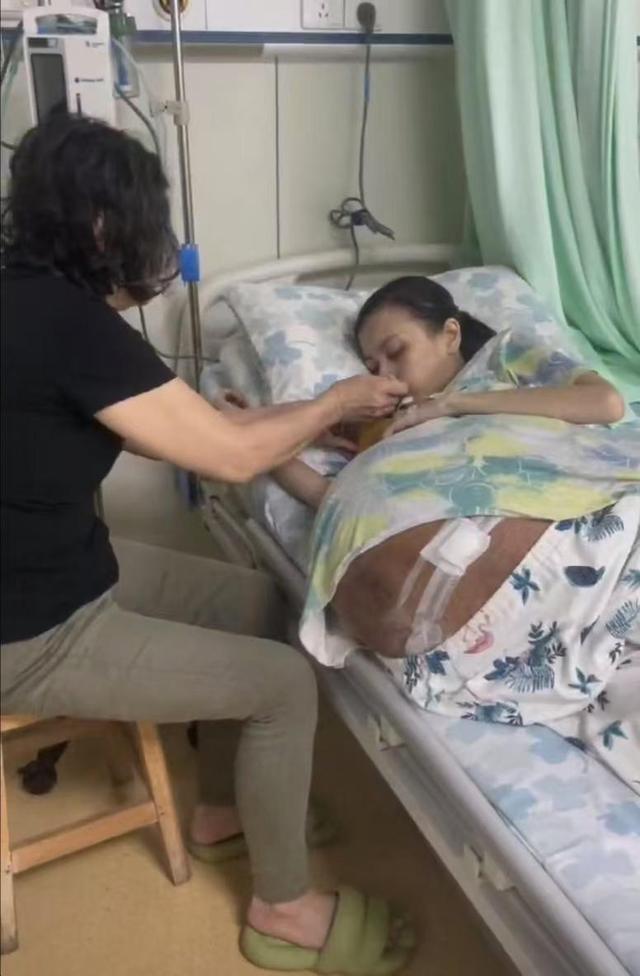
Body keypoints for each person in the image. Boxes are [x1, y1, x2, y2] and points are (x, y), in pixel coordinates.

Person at [0, 114, 414, 975]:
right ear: (106, 225)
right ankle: (283, 910)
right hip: (29, 629)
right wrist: (334, 402)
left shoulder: (29, 300)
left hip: (61, 567)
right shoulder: (72, 326)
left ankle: (223, 813)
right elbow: (224, 458)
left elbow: (171, 435)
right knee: (282, 684)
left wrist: (296, 421)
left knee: (253, 599)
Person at [257, 276, 625, 510]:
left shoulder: (504, 355)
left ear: (450, 335)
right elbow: (339, 504)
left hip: (587, 497)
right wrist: (269, 449)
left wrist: (451, 404)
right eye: (372, 367)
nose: (386, 374)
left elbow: (606, 404)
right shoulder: (388, 427)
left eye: (397, 351)